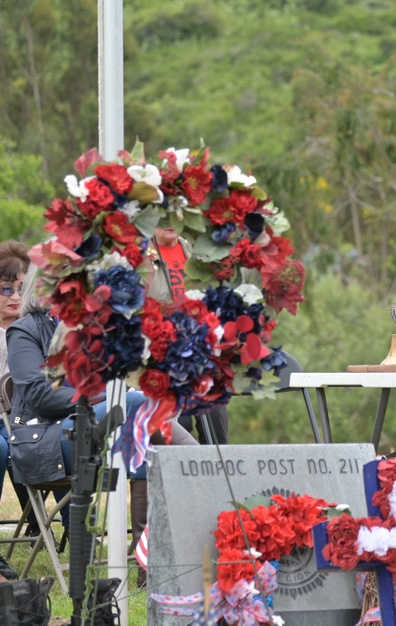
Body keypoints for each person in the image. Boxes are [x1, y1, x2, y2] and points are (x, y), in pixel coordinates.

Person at [5, 261, 197, 587]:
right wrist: (104, 394)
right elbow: (38, 394)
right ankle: (199, 479)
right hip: (46, 440)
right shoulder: (24, 330)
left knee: (148, 430)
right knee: (138, 406)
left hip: (102, 430)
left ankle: (154, 564)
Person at [150, 226, 229, 445]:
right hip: (157, 360)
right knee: (180, 426)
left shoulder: (193, 253)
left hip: (197, 356)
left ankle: (217, 475)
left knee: (216, 413)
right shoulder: (140, 255)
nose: (169, 221)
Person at [0, 239, 29, 580]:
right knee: (7, 443)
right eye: (6, 289)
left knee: (57, 433)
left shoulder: (31, 330)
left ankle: (73, 529)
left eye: (20, 288)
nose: (15, 298)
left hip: (24, 418)